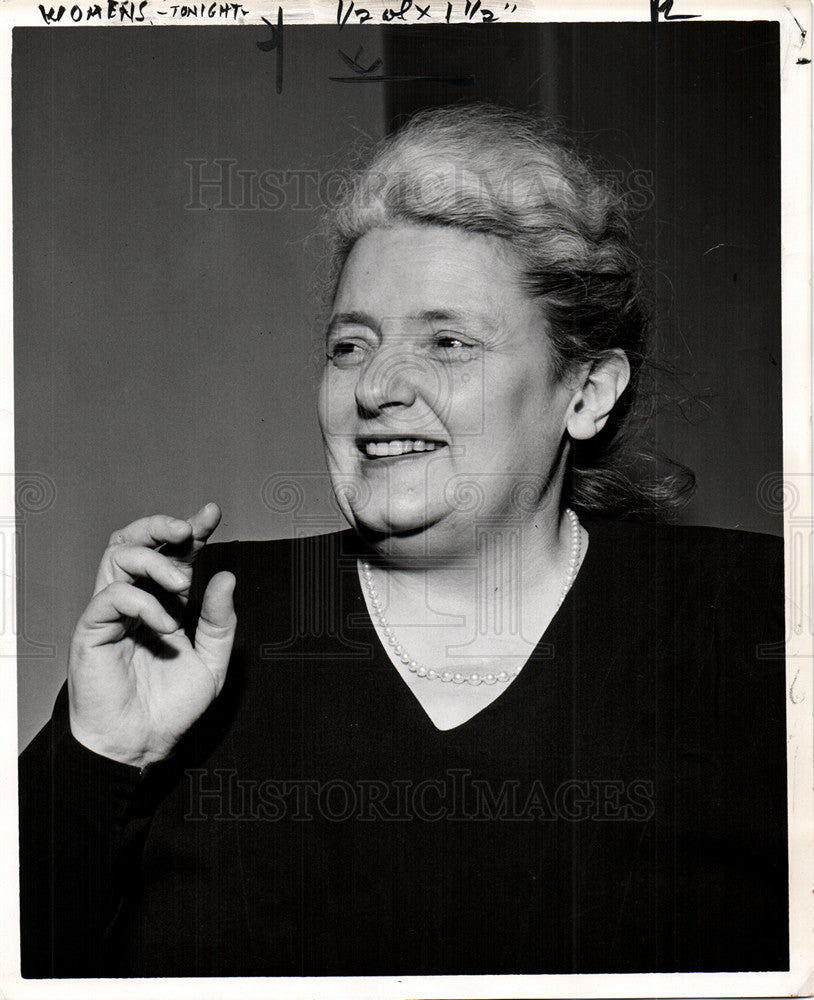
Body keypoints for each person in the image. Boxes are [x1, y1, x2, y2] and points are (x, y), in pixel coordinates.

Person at [18, 104, 788, 978]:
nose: (378, 386)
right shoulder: (199, 623)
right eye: (351, 345)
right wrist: (98, 760)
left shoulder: (757, 617)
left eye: (449, 342)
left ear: (586, 391)